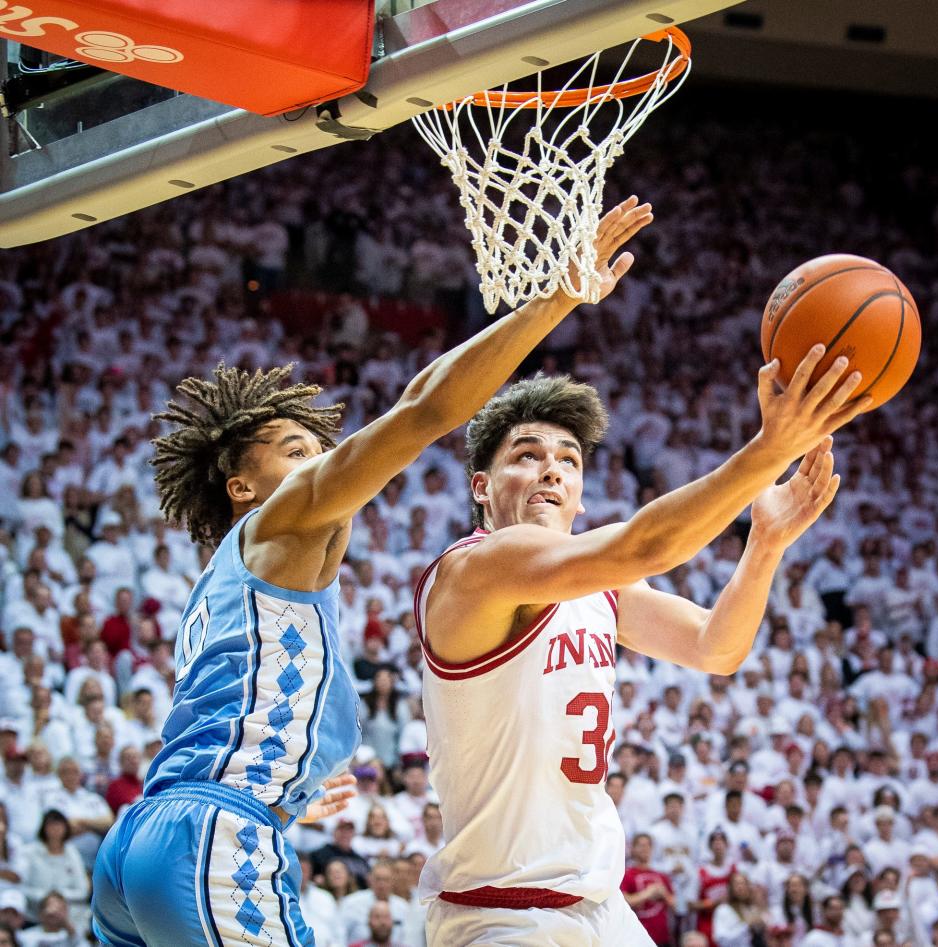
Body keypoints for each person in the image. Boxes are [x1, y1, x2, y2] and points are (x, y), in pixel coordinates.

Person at [91, 195, 656, 945]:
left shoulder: (231, 580)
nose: (320, 461)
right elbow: (425, 410)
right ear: (242, 486)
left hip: (143, 844)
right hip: (207, 836)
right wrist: (558, 296)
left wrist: (282, 796)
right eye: (295, 450)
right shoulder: (282, 518)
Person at [415, 351, 867, 947]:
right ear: (482, 486)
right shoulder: (473, 569)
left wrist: (765, 545)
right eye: (527, 455)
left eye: (568, 461)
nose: (552, 469)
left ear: (580, 498)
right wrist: (770, 451)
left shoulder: (603, 588)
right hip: (501, 915)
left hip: (602, 909)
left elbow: (716, 648)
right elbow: (646, 546)